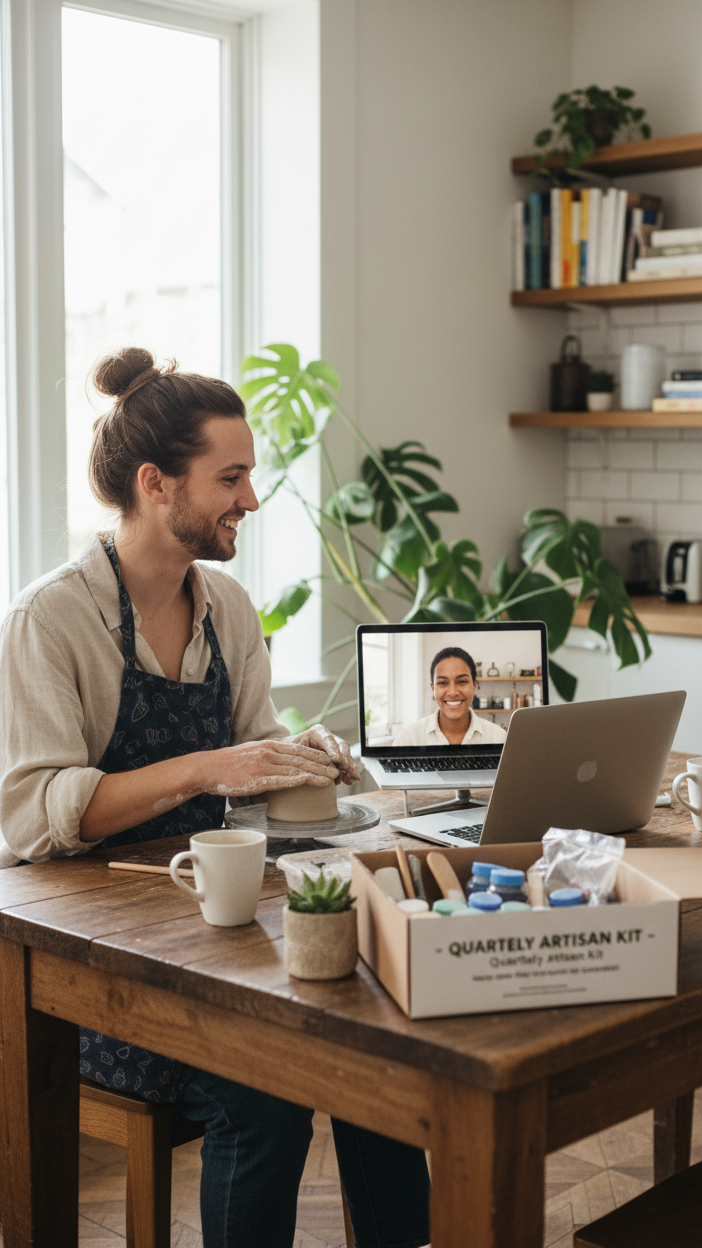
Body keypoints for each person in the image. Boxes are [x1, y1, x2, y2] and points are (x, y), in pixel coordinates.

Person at [0, 348, 430, 1248]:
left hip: (216, 930)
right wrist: (207, 767)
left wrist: (302, 758)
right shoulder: (52, 618)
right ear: (157, 484)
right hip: (90, 965)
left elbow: (250, 758)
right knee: (265, 1100)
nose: (252, 498)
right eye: (231, 477)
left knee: (381, 1050)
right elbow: (33, 813)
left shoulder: (228, 607)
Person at [393, 646, 507, 746]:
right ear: (433, 689)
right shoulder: (409, 738)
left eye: (462, 681)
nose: (452, 692)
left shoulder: (498, 738)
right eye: (442, 683)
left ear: (475, 686)